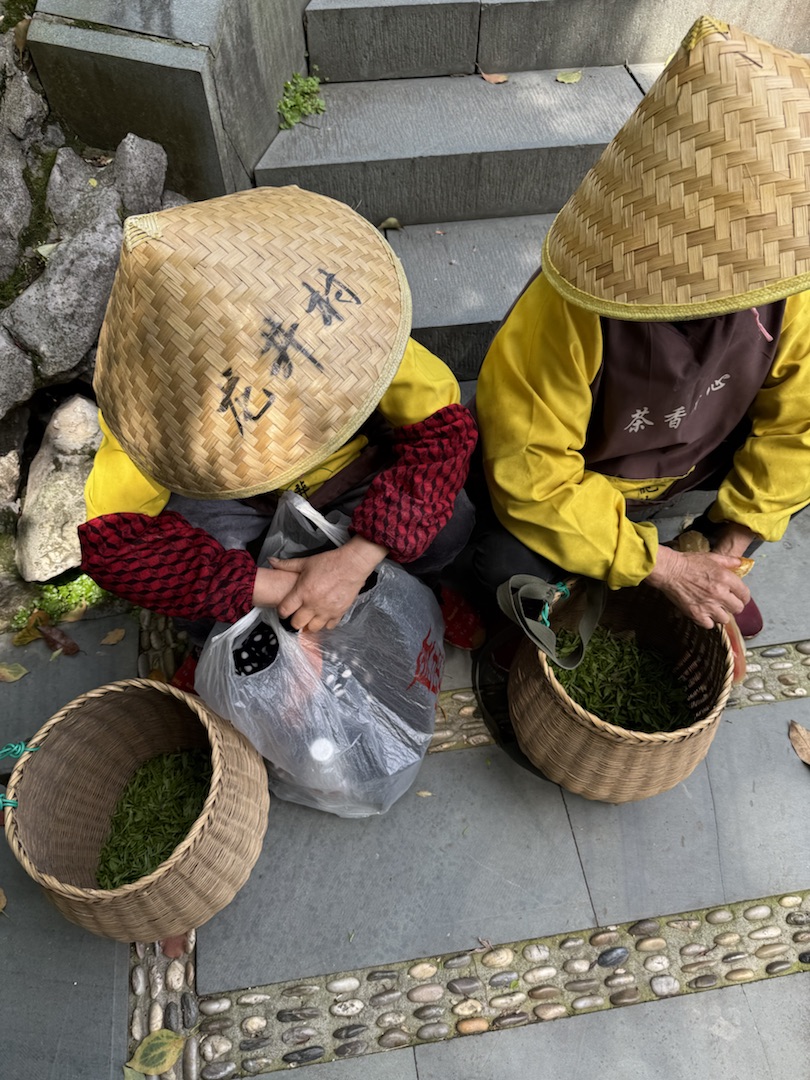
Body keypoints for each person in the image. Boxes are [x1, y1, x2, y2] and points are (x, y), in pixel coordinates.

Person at [473, 16, 810, 640]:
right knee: (500, 564)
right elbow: (533, 474)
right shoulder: (571, 304)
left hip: (692, 471)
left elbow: (796, 428)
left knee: (784, 487)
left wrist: (727, 550)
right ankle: (627, 568)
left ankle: (692, 547)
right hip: (586, 487)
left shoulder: (788, 295)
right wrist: (660, 566)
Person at [78, 186, 477, 644]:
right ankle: (240, 640)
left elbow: (442, 436)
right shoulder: (148, 399)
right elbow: (113, 546)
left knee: (448, 523)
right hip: (241, 503)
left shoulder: (352, 328)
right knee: (188, 592)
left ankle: (411, 591)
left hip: (352, 470)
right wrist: (288, 590)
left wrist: (353, 564)